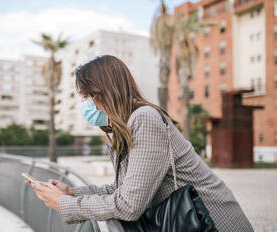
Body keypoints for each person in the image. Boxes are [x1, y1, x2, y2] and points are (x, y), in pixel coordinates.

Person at [27, 55, 254, 231]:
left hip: (211, 222)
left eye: (86, 96)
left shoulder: (144, 118)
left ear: (104, 92)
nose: (84, 104)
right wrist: (72, 192)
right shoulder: (127, 125)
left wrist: (65, 205)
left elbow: (129, 205)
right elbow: (125, 189)